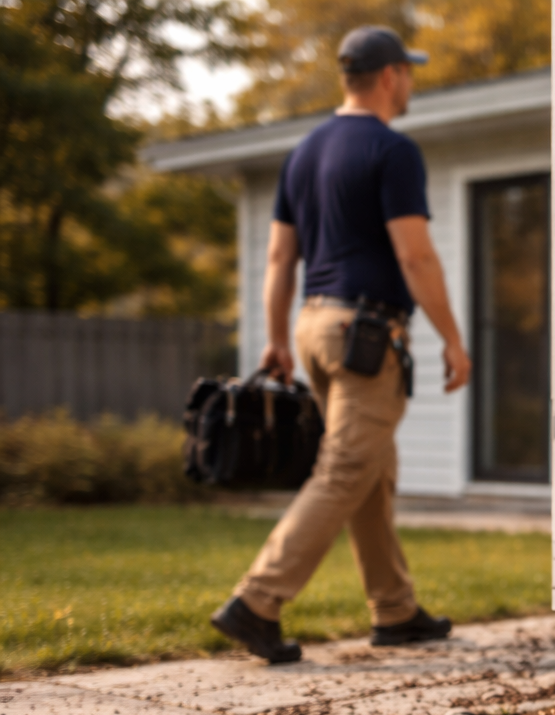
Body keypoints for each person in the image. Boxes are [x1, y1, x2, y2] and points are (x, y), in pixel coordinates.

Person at [210, 26, 473, 664]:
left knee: (372, 469)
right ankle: (257, 600)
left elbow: (278, 258)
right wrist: (454, 340)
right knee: (348, 468)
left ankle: (395, 610)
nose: (409, 82)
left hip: (313, 328)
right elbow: (415, 256)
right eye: (407, 72)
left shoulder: (303, 153)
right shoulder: (392, 150)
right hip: (365, 335)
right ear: (389, 77)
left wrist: (277, 338)